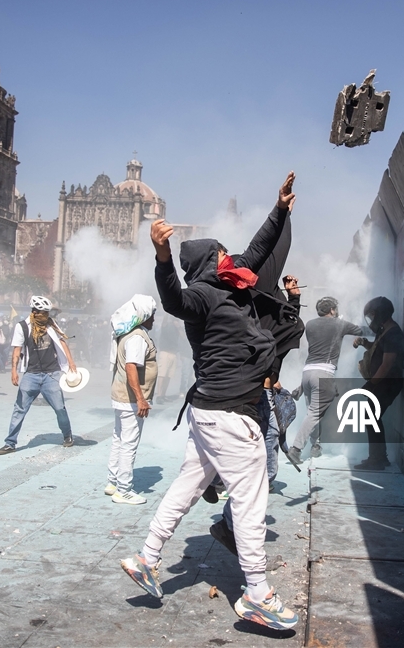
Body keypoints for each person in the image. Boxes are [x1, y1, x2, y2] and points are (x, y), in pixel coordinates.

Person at [119, 171, 299, 631]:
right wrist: (162, 256)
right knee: (251, 498)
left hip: (209, 413)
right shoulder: (201, 294)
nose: (229, 256)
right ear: (207, 263)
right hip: (228, 414)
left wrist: (279, 209)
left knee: (187, 486)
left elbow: (258, 250)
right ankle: (257, 592)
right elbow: (174, 300)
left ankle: (146, 557)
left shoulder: (234, 284)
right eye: (220, 253)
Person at [285, 297, 363, 466]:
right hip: (324, 373)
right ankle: (296, 449)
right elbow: (360, 331)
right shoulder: (339, 324)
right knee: (314, 414)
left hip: (307, 374)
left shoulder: (310, 324)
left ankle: (316, 446)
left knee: (312, 414)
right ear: (333, 310)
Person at [0, 296, 77, 454]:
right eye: (42, 312)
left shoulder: (51, 324)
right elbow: (17, 350)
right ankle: (10, 443)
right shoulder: (22, 327)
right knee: (19, 409)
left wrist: (71, 362)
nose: (45, 315)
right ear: (34, 311)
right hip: (31, 375)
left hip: (51, 374)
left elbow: (62, 342)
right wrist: (14, 370)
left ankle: (67, 436)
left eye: (47, 312)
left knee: (60, 408)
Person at [104, 294, 158, 505]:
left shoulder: (128, 333)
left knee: (119, 439)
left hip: (121, 396)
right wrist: (141, 399)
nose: (154, 319)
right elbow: (131, 367)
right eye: (152, 315)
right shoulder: (137, 337)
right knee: (128, 444)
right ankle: (124, 489)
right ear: (143, 315)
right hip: (130, 400)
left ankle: (112, 482)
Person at [353, 296, 404, 471]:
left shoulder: (393, 334)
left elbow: (387, 364)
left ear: (380, 314)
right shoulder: (385, 331)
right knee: (371, 417)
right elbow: (378, 351)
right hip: (382, 383)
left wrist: (371, 385)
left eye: (373, 315)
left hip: (387, 383)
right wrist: (364, 343)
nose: (371, 320)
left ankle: (377, 458)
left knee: (371, 417)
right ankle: (378, 457)